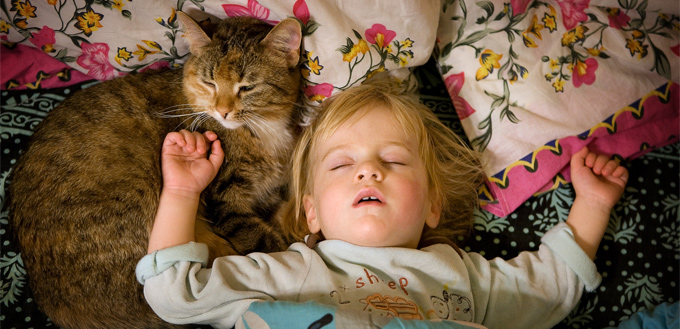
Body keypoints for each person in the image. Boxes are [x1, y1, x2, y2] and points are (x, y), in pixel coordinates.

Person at [136, 82, 629, 329]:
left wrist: (591, 204)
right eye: (341, 165)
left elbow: (551, 290)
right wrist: (182, 193)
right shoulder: (297, 273)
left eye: (393, 160)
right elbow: (176, 293)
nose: (368, 172)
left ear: (433, 205)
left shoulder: (465, 278)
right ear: (312, 213)